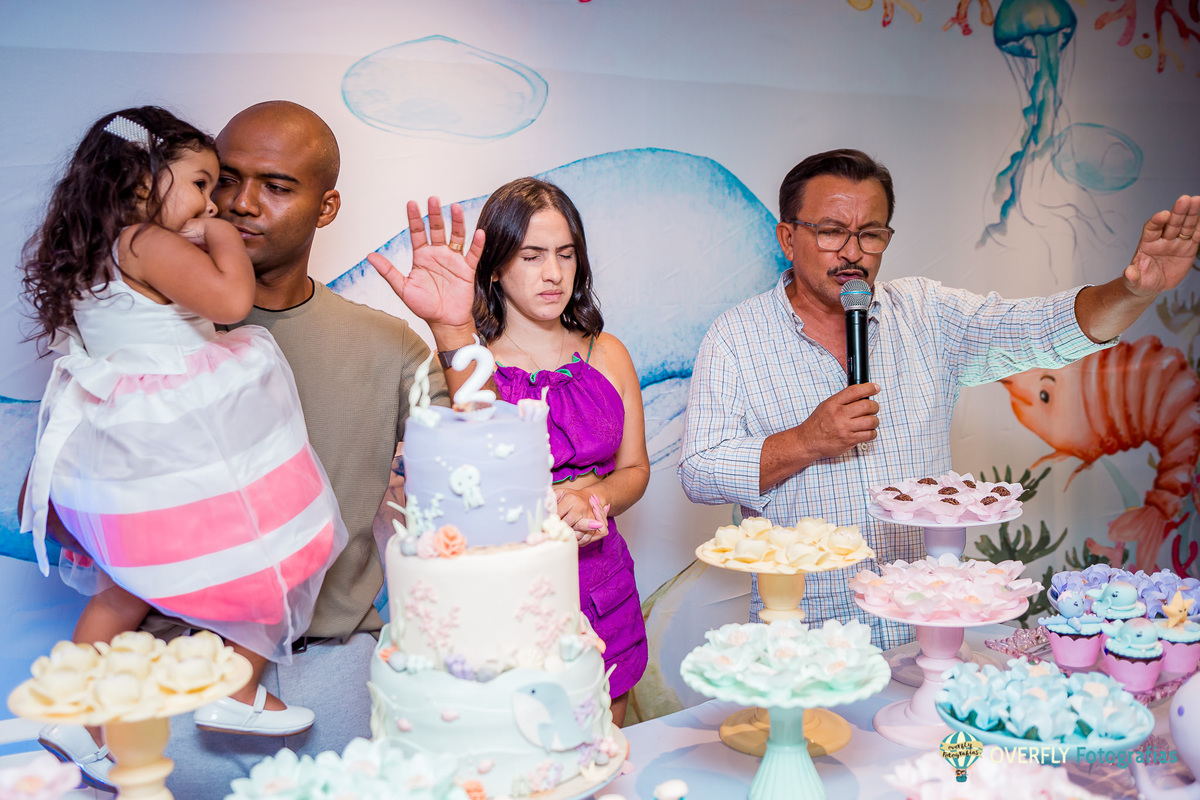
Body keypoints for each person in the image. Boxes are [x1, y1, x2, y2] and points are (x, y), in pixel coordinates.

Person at [31, 101, 487, 798]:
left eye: (275, 185)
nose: (238, 204)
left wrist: (455, 333)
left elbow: (477, 480)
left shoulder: (384, 343)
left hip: (331, 674)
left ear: (326, 205)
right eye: (222, 181)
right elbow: (63, 507)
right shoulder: (135, 334)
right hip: (166, 677)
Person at [678, 148, 1200, 648]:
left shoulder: (927, 313)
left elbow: (1040, 328)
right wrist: (806, 441)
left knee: (945, 744)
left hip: (923, 634)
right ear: (788, 239)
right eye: (832, 232)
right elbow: (699, 472)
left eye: (871, 234)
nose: (854, 253)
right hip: (808, 637)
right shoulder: (736, 337)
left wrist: (1133, 291)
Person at [19, 105, 349, 781]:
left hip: (123, 462)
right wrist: (220, 234)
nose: (214, 201)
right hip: (185, 443)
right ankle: (233, 691)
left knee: (120, 592)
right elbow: (230, 306)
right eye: (201, 184)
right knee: (282, 549)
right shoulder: (147, 242)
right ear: (144, 182)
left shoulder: (96, 252)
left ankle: (74, 715)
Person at [468, 177, 650, 726]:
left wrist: (594, 499)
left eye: (566, 254)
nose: (554, 273)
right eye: (532, 255)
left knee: (605, 751)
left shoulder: (608, 352)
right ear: (495, 264)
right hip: (507, 592)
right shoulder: (468, 366)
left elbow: (635, 469)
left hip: (601, 581)